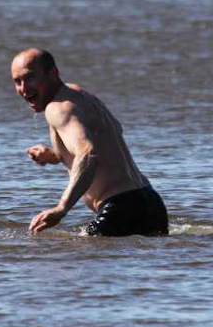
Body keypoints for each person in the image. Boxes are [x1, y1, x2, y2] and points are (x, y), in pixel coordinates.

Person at [10, 48, 169, 236]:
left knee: (65, 259)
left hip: (120, 209)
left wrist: (62, 207)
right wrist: (53, 156)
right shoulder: (78, 95)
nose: (23, 88)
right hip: (151, 202)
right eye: (17, 82)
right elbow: (103, 142)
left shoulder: (57, 109)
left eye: (30, 78)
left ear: (52, 74)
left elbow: (87, 153)